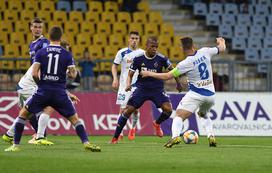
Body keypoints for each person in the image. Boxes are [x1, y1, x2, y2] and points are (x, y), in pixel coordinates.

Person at [4, 26, 101, 152]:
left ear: (49, 36)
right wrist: (65, 71)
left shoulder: (41, 53)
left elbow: (34, 73)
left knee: (23, 114)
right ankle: (86, 143)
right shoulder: (67, 54)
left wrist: (42, 84)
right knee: (75, 119)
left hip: (43, 91)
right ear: (61, 37)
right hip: (59, 93)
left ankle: (15, 145)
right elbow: (73, 74)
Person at [141, 37, 226, 148]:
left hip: (196, 94)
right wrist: (221, 41)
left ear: (182, 48)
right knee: (203, 114)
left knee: (179, 116)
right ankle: (211, 136)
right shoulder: (206, 51)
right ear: (193, 45)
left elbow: (167, 76)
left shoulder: (185, 63)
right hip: (211, 95)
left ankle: (175, 136)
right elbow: (222, 48)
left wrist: (149, 73)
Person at [110, 36, 182, 144]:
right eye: (152, 46)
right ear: (146, 46)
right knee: (127, 110)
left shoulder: (162, 58)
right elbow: (130, 74)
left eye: (156, 47)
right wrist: (128, 84)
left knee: (168, 110)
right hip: (141, 88)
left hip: (157, 89)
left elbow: (173, 71)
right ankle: (115, 138)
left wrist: (178, 83)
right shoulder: (138, 59)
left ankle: (157, 124)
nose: (155, 49)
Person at [2, 17, 53, 145]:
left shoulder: (44, 43)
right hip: (29, 83)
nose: (37, 29)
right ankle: (39, 136)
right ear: (30, 28)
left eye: (40, 27)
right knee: (38, 109)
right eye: (35, 27)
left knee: (29, 110)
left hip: (31, 82)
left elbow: (43, 63)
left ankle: (10, 134)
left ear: (43, 29)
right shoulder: (32, 44)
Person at [111, 31, 144, 141]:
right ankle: (119, 132)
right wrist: (115, 79)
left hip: (137, 86)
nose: (134, 40)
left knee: (135, 110)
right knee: (122, 108)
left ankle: (133, 128)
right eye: (132, 38)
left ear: (139, 40)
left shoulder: (142, 53)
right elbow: (114, 66)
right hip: (124, 85)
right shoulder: (122, 52)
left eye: (136, 38)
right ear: (129, 39)